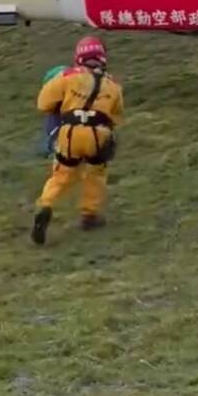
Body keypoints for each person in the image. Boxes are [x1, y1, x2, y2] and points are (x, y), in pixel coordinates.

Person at [30, 35, 124, 245]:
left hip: (69, 133)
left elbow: (43, 104)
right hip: (98, 134)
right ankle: (89, 215)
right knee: (95, 173)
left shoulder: (67, 76)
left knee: (61, 175)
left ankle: (45, 205)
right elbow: (116, 115)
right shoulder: (113, 84)